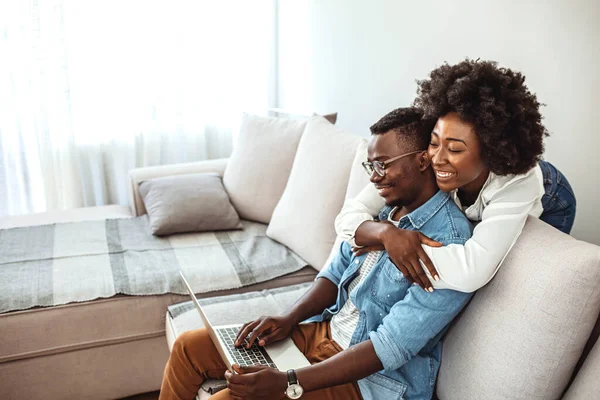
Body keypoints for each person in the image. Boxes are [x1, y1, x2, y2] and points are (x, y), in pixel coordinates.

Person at [159, 108, 474, 400]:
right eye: (370, 165)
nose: (373, 176)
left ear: (421, 161)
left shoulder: (449, 241)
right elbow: (334, 274)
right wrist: (288, 318)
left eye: (382, 164)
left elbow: (390, 346)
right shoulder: (381, 210)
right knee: (189, 347)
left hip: (368, 381)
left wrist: (288, 381)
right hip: (323, 333)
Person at [336, 59, 577, 293]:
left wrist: (391, 247)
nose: (438, 158)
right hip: (474, 192)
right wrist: (386, 234)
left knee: (519, 277)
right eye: (434, 143)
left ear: (490, 152)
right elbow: (348, 216)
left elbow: (471, 272)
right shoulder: (428, 157)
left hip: (552, 197)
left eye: (455, 149)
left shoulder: (517, 183)